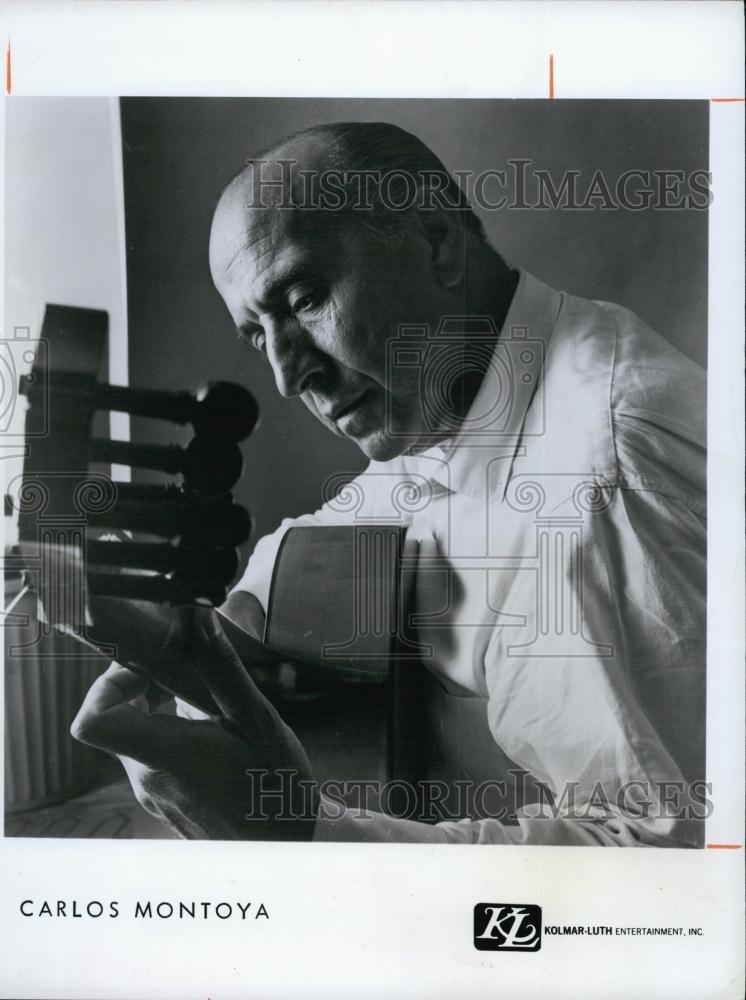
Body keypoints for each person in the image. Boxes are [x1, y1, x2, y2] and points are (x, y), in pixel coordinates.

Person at [71, 122, 707, 847]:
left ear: (436, 243)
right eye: (257, 333)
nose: (286, 375)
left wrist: (303, 835)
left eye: (306, 297)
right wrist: (231, 630)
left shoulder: (600, 481)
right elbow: (378, 508)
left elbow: (664, 867)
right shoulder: (462, 392)